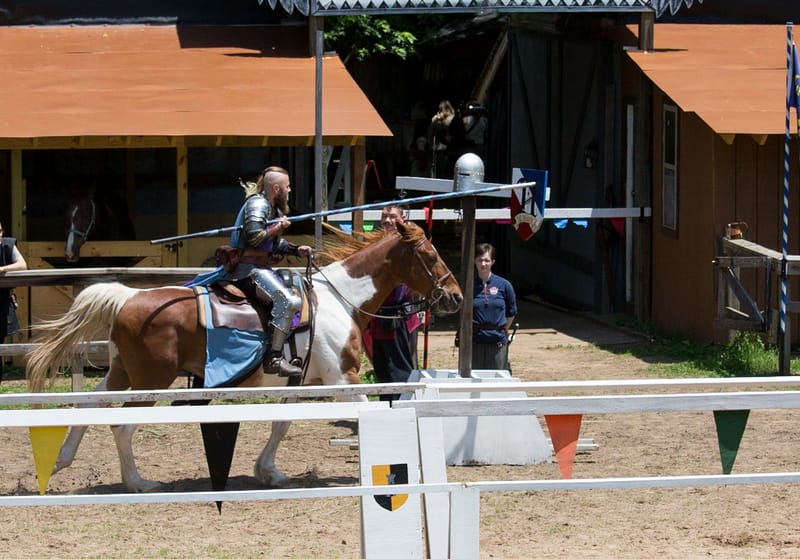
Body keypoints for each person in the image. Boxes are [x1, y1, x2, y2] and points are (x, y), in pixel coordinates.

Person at [225, 166, 312, 378]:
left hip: (261, 266)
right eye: (287, 187)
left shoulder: (274, 209)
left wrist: (295, 249)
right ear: (276, 188)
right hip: (247, 270)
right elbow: (255, 237)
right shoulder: (257, 204)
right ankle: (273, 357)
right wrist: (278, 227)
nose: (289, 190)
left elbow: (271, 243)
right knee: (289, 301)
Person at [365, 204, 421, 401]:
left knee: (401, 370)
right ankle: (386, 411)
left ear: (402, 218)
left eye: (392, 217)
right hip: (380, 315)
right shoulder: (377, 242)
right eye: (384, 216)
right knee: (382, 370)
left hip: (399, 317)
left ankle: (404, 411)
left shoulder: (410, 243)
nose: (387, 220)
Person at [472, 243, 516, 371]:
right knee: (474, 379)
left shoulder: (504, 285)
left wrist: (501, 329)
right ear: (475, 261)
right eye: (480, 260)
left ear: (493, 262)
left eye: (487, 260)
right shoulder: (469, 285)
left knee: (497, 379)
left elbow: (511, 312)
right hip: (475, 341)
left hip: (498, 341)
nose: (483, 264)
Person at [0, 222, 27, 382]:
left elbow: (22, 265)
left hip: (1, 305)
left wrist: (2, 269)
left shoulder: (7, 245)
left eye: (0, 231)